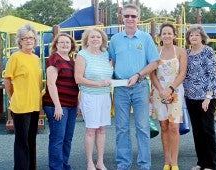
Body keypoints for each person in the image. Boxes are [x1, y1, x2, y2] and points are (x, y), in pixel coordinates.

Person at [108, 4, 160, 170]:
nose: (130, 19)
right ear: (122, 18)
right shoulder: (115, 39)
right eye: (127, 16)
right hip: (120, 88)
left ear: (138, 18)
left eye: (133, 16)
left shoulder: (145, 38)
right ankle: (123, 164)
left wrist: (138, 75)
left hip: (140, 87)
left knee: (143, 127)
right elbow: (111, 62)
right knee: (121, 128)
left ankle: (144, 165)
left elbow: (155, 62)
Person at [3, 23, 42, 170]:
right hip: (20, 106)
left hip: (34, 105)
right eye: (25, 38)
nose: (28, 40)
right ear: (20, 41)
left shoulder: (36, 58)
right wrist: (13, 97)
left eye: (31, 38)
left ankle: (31, 167)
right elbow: (7, 79)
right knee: (22, 141)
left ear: (35, 40)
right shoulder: (15, 57)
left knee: (31, 140)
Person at [150, 23, 187, 170]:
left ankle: (175, 162)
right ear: (160, 36)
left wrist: (171, 89)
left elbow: (182, 73)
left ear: (174, 35)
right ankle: (167, 161)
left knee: (174, 126)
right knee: (164, 126)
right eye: (164, 33)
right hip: (159, 92)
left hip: (175, 92)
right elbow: (152, 73)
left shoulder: (181, 52)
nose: (166, 36)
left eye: (169, 33)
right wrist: (160, 89)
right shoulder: (155, 51)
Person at [74, 27, 113, 170]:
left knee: (102, 129)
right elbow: (78, 78)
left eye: (98, 37)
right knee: (91, 129)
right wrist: (98, 84)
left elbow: (109, 75)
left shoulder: (105, 54)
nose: (95, 39)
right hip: (90, 96)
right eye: (92, 37)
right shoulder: (82, 55)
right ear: (87, 40)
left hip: (105, 96)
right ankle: (90, 162)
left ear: (102, 39)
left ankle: (100, 162)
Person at [183, 24, 216, 170]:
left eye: (196, 35)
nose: (194, 37)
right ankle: (201, 163)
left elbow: (213, 74)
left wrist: (208, 97)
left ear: (202, 37)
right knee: (197, 132)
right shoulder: (186, 53)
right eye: (191, 35)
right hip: (190, 97)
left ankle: (210, 164)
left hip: (205, 98)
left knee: (207, 130)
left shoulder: (208, 51)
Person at [42, 33, 79, 170]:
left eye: (68, 43)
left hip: (71, 105)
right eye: (62, 42)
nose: (65, 45)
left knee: (67, 138)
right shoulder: (54, 59)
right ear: (56, 44)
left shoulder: (71, 61)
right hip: (56, 105)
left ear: (72, 45)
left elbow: (75, 84)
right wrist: (58, 106)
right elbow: (51, 84)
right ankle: (56, 167)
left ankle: (64, 165)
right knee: (58, 138)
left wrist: (77, 103)